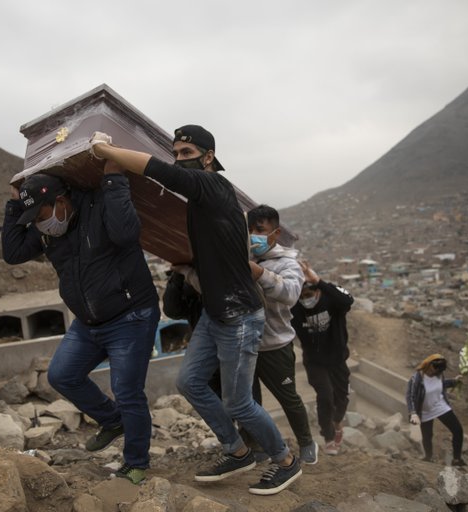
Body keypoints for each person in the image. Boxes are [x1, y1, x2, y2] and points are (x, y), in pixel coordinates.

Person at [90, 125, 301, 496]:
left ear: (208, 158)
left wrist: (107, 151)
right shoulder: (201, 200)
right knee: (189, 382)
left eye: (187, 153)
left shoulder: (213, 186)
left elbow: (157, 170)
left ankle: (285, 460)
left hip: (239, 317)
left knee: (239, 402)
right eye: (177, 153)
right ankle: (237, 451)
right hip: (216, 314)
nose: (180, 160)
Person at [1, 163, 160, 485]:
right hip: (88, 323)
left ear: (61, 201)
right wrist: (15, 203)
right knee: (62, 375)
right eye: (35, 221)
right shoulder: (48, 230)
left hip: (131, 316)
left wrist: (114, 180)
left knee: (127, 390)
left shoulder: (99, 205)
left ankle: (137, 462)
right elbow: (13, 252)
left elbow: (128, 234)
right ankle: (113, 421)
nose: (41, 225)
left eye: (42, 215)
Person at [247, 204, 318, 464]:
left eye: (260, 230)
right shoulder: (245, 258)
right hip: (245, 345)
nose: (253, 235)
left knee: (288, 398)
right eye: (250, 230)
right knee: (248, 400)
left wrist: (261, 274)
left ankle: (306, 442)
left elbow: (289, 294)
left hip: (275, 345)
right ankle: (256, 445)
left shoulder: (287, 263)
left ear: (275, 233)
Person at [290, 261, 355, 456]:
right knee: (325, 395)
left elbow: (348, 301)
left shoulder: (331, 300)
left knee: (341, 398)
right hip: (314, 361)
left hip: (337, 359)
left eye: (309, 295)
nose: (305, 299)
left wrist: (318, 281)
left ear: (317, 291)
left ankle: (336, 422)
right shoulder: (296, 309)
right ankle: (328, 437)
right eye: (301, 296)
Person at [405, 354, 465, 466]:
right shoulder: (417, 378)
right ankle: (428, 457)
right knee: (427, 436)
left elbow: (441, 385)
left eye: (438, 371)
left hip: (440, 406)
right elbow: (410, 396)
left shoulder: (439, 374)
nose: (435, 372)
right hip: (425, 411)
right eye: (434, 369)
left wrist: (454, 382)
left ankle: (457, 459)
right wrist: (413, 412)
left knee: (458, 430)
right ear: (429, 364)